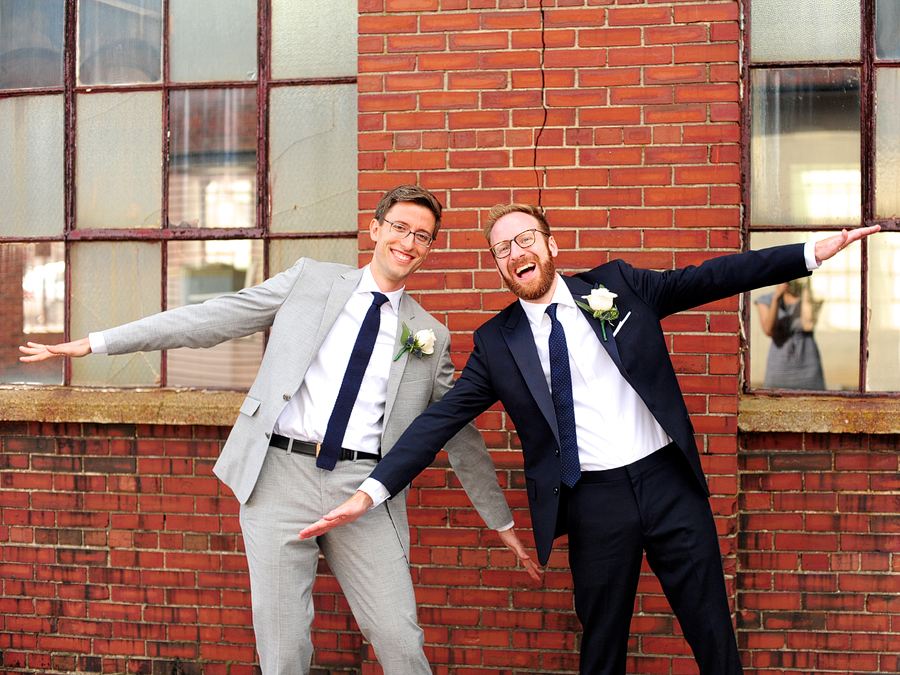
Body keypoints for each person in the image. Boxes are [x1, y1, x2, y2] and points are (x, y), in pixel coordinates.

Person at [299, 203, 880, 675]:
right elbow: (438, 421)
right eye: (502, 248)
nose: (516, 252)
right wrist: (370, 492)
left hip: (667, 483)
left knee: (712, 633)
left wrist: (808, 254)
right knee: (601, 649)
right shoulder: (497, 344)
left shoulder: (618, 286)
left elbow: (710, 278)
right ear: (499, 268)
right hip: (594, 502)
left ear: (551, 246)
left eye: (525, 238)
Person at [19, 186, 539, 675]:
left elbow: (457, 431)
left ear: (429, 249)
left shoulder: (430, 335)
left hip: (364, 490)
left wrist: (500, 521)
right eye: (400, 227)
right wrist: (97, 343)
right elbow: (214, 318)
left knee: (400, 637)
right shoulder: (310, 280)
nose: (409, 242)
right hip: (278, 476)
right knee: (283, 642)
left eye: (422, 235)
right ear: (375, 229)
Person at [755, 278, 825, 389]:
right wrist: (776, 299)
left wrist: (805, 287)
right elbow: (769, 330)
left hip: (807, 364)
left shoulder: (811, 298)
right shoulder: (765, 300)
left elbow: (808, 325)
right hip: (779, 365)